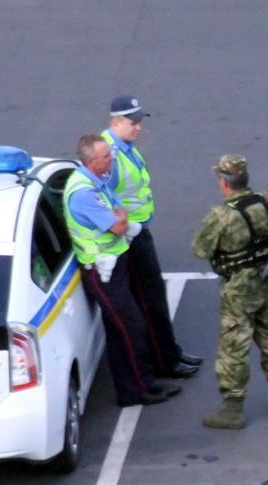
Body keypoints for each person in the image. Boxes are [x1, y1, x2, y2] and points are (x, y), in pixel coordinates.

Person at [63, 134, 180, 407]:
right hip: (103, 271)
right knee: (131, 328)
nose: (112, 158)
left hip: (113, 263)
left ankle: (138, 385)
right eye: (106, 156)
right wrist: (120, 218)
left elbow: (119, 210)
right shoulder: (84, 193)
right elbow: (118, 224)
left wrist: (120, 216)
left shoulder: (96, 180)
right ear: (92, 161)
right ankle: (138, 389)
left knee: (120, 330)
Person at [192, 154, 268, 430]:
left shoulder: (220, 217)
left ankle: (233, 410)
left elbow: (199, 249)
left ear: (224, 182)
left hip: (239, 290)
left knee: (234, 347)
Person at [101, 95, 202, 379]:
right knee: (150, 300)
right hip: (128, 237)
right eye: (133, 123)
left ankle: (169, 351)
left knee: (154, 294)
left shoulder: (125, 149)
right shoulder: (110, 155)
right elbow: (103, 200)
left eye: (140, 121)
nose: (139, 128)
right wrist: (127, 227)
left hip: (138, 231)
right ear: (115, 122)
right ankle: (165, 361)